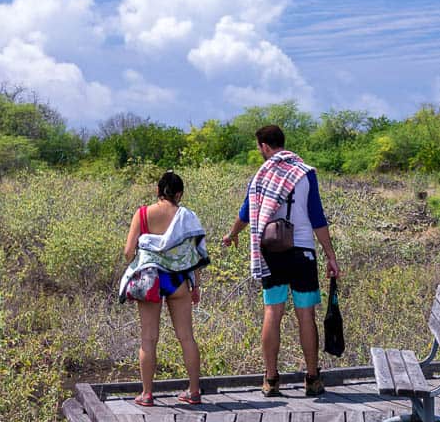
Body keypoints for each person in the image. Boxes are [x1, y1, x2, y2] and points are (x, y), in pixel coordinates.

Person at [221, 124, 340, 397]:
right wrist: (330, 257)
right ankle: (312, 378)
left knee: (272, 314)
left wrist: (231, 235)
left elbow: (246, 213)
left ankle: (271, 380)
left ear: (264, 146)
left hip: (272, 253)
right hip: (303, 253)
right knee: (306, 315)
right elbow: (318, 218)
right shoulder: (305, 174)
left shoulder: (260, 177)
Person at [119, 171, 209, 407]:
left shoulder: (142, 214)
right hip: (178, 281)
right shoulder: (187, 217)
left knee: (148, 338)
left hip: (150, 280)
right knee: (186, 337)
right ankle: (194, 391)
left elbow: (128, 252)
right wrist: (196, 285)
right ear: (179, 194)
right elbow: (195, 255)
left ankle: (147, 394)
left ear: (158, 191)